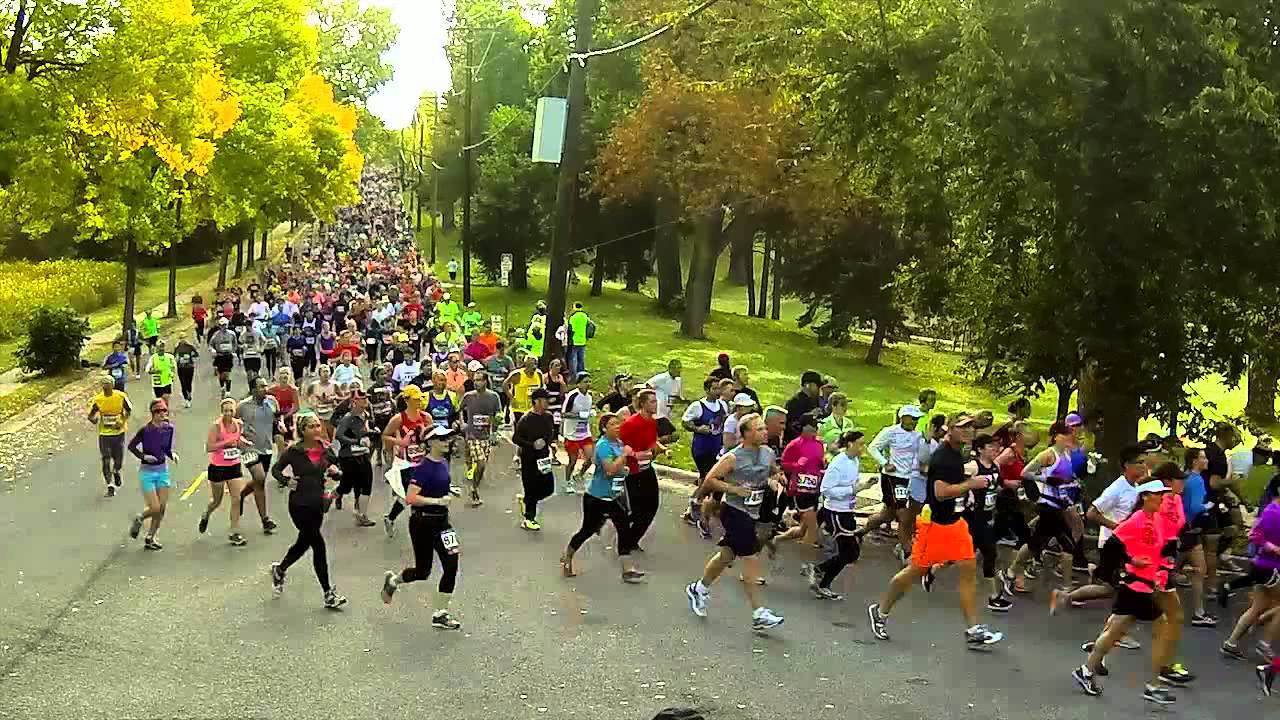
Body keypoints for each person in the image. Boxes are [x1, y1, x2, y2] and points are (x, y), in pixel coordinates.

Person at [867, 411, 1004, 649]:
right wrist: (970, 484)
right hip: (936, 525)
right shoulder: (943, 457)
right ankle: (880, 611)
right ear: (950, 429)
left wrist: (967, 491)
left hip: (956, 522)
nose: (969, 431)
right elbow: (940, 493)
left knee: (969, 567)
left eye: (971, 427)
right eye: (963, 427)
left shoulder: (958, 452)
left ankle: (973, 629)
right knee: (914, 572)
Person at [1071, 477, 1179, 704]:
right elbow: (1112, 547)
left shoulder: (1156, 519)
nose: (1162, 497)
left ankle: (1087, 670)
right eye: (1158, 494)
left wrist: (1162, 571)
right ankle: (1154, 685)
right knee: (1161, 627)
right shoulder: (1136, 520)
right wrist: (1128, 564)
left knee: (1115, 632)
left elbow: (1162, 549)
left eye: (1163, 493)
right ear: (1145, 497)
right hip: (1135, 587)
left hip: (1145, 586)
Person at [684, 412, 785, 632]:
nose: (764, 432)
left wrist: (775, 480)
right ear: (746, 434)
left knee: (727, 555)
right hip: (734, 510)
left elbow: (773, 472)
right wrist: (734, 489)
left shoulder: (768, 453)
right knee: (750, 557)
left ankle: (698, 588)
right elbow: (710, 479)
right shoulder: (733, 457)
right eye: (759, 429)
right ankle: (759, 612)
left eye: (764, 428)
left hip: (753, 511)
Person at [380, 425, 463, 629]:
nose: (446, 442)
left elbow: (439, 484)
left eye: (447, 438)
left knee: (452, 564)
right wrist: (437, 502)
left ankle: (440, 613)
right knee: (422, 571)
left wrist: (450, 489)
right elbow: (410, 498)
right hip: (422, 523)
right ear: (430, 443)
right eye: (441, 439)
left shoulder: (443, 462)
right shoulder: (423, 468)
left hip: (443, 522)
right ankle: (393, 581)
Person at [269, 413, 348, 610]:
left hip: (317, 503)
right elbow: (276, 470)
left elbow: (336, 467)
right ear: (302, 430)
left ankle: (280, 569)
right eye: (311, 426)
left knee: (304, 542)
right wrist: (287, 481)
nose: (316, 429)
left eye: (317, 426)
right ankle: (328, 593)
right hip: (299, 504)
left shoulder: (324, 449)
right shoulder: (294, 451)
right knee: (318, 545)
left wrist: (334, 472)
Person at [562, 413, 646, 583]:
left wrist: (629, 466)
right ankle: (568, 556)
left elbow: (622, 466)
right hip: (596, 498)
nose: (618, 427)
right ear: (603, 428)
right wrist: (624, 456)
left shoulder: (619, 444)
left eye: (619, 424)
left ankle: (627, 569)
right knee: (587, 530)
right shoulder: (602, 446)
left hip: (613, 497)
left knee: (624, 529)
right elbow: (609, 470)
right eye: (613, 424)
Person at [809, 430, 875, 599]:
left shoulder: (854, 461)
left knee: (849, 553)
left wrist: (864, 485)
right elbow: (826, 489)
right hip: (836, 512)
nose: (863, 447)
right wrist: (854, 489)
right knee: (850, 552)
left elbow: (852, 483)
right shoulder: (838, 463)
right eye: (860, 444)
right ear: (850, 444)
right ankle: (818, 571)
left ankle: (822, 582)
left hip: (847, 510)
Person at [862, 405, 927, 565]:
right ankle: (906, 550)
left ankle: (860, 532)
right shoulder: (890, 432)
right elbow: (873, 448)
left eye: (917, 419)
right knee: (904, 514)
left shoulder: (919, 436)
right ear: (903, 418)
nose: (915, 422)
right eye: (912, 418)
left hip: (910, 478)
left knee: (888, 515)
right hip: (893, 478)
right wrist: (885, 462)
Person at [126, 399, 177, 550]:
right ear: (152, 413)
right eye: (158, 411)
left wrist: (171, 454)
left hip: (162, 471)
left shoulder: (169, 429)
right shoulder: (145, 430)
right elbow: (131, 446)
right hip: (147, 472)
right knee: (154, 507)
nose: (161, 414)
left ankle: (151, 537)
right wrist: (143, 457)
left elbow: (166, 448)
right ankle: (140, 518)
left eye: (164, 411)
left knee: (161, 508)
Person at [199, 398, 251, 546]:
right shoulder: (216, 427)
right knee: (217, 500)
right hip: (218, 467)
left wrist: (245, 444)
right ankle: (206, 514)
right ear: (222, 412)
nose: (228, 413)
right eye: (226, 411)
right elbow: (209, 447)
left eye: (231, 410)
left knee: (237, 498)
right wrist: (225, 444)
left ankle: (234, 532)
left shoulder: (238, 424)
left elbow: (238, 440)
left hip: (234, 465)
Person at [381, 385, 431, 536]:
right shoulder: (398, 419)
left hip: (421, 461)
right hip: (405, 463)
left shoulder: (426, 417)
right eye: (416, 399)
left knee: (416, 495)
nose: (419, 402)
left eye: (421, 399)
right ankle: (410, 522)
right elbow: (385, 436)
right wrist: (400, 443)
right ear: (407, 400)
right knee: (410, 495)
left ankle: (394, 518)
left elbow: (431, 436)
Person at [620, 389, 666, 550]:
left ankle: (631, 539)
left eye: (656, 401)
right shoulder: (631, 423)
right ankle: (626, 537)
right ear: (643, 403)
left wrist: (663, 449)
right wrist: (634, 454)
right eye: (652, 401)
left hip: (647, 469)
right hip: (633, 472)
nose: (656, 404)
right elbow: (620, 445)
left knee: (652, 505)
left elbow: (652, 442)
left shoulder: (652, 422)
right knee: (639, 509)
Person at [681, 377, 729, 524]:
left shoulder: (722, 405)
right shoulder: (698, 406)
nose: (717, 392)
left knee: (707, 479)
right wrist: (697, 428)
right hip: (701, 448)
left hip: (717, 448)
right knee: (708, 478)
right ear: (707, 390)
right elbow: (685, 422)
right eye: (714, 389)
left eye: (718, 389)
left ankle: (698, 505)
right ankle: (694, 506)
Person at [237, 377, 280, 536]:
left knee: (258, 483)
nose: (265, 388)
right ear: (253, 390)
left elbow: (276, 418)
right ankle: (265, 519)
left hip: (266, 448)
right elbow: (232, 423)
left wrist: (280, 425)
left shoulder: (272, 402)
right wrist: (238, 440)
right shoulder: (243, 406)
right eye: (261, 386)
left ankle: (241, 495)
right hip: (249, 449)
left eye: (265, 386)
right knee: (260, 478)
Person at [777, 412, 826, 550]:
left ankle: (777, 539)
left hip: (814, 488)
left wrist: (823, 466)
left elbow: (819, 464)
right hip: (800, 489)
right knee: (812, 525)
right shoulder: (794, 445)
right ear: (804, 427)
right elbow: (784, 464)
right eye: (813, 425)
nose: (816, 429)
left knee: (802, 529)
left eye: (817, 426)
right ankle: (808, 554)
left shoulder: (819, 444)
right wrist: (797, 466)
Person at [513, 388, 557, 531]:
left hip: (544, 458)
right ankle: (529, 518)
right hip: (529, 459)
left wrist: (548, 441)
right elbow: (516, 438)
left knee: (548, 487)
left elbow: (552, 432)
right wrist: (532, 445)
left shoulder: (548, 417)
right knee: (531, 488)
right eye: (545, 400)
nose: (547, 403)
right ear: (536, 401)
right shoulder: (526, 419)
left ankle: (527, 501)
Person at [460, 366, 501, 507]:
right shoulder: (468, 396)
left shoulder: (494, 397)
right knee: (481, 462)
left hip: (486, 435)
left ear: (485, 381)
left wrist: (495, 430)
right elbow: (460, 409)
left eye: (479, 380)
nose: (476, 383)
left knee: (482, 467)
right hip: (472, 435)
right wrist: (462, 423)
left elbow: (498, 415)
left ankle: (474, 488)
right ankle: (474, 488)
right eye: (474, 380)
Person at [88, 375, 132, 497]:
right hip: (104, 434)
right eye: (104, 385)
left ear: (113, 385)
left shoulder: (121, 396)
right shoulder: (98, 399)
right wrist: (93, 420)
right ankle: (110, 485)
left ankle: (116, 471)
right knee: (105, 458)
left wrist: (122, 420)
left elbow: (128, 411)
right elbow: (91, 415)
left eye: (108, 384)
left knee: (118, 459)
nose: (106, 387)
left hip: (118, 432)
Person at [560, 371, 595, 495]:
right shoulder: (572, 396)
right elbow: (564, 414)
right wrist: (580, 415)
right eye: (585, 382)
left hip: (584, 433)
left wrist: (591, 414)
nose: (588, 384)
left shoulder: (589, 397)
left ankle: (579, 474)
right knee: (573, 461)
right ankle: (568, 481)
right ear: (578, 384)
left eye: (589, 381)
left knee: (591, 458)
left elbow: (589, 412)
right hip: (571, 434)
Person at [646, 359, 683, 441]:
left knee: (671, 435)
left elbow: (677, 396)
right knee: (669, 434)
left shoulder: (678, 381)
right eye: (677, 368)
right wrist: (652, 401)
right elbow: (648, 385)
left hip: (666, 413)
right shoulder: (662, 377)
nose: (679, 370)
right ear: (670, 368)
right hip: (658, 413)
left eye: (680, 368)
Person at [783, 371, 823, 443]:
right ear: (808, 385)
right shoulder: (794, 402)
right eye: (817, 386)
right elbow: (791, 427)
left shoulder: (813, 400)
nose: (819, 389)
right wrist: (808, 416)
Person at [209, 318, 238, 396]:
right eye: (222, 325)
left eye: (225, 325)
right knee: (221, 375)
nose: (223, 327)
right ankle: (222, 387)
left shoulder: (232, 334)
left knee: (227, 374)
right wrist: (213, 350)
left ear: (227, 325)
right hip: (219, 356)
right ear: (219, 326)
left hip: (228, 356)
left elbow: (235, 343)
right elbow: (210, 345)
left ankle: (228, 391)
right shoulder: (216, 335)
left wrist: (234, 351)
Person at [566, 301, 592, 377]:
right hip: (582, 340)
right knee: (581, 358)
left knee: (573, 358)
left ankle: (573, 374)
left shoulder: (573, 317)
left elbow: (570, 328)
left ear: (575, 307)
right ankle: (581, 372)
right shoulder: (585, 316)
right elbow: (590, 325)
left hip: (574, 340)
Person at [172, 337, 199, 409]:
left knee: (188, 382)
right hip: (181, 368)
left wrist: (191, 358)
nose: (182, 340)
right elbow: (173, 357)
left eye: (183, 338)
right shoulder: (177, 348)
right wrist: (176, 360)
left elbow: (196, 355)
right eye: (180, 338)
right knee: (183, 384)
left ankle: (189, 393)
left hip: (189, 367)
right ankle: (186, 399)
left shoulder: (190, 347)